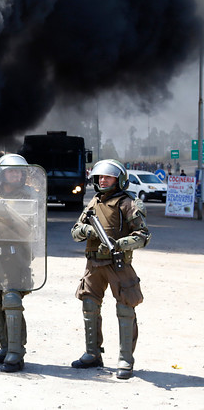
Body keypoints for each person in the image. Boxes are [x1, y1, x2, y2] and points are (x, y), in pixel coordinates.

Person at [70, 159, 151, 380]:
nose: (103, 180)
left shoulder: (127, 203)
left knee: (125, 309)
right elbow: (75, 230)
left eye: (108, 177)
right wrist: (86, 230)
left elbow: (142, 236)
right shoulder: (94, 201)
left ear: (119, 180)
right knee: (89, 305)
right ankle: (92, 353)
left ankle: (125, 360)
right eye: (100, 177)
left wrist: (120, 244)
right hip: (93, 263)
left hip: (118, 263)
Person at [0, 153, 35, 373]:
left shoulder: (29, 196)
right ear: (1, 174)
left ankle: (16, 352)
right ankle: (4, 347)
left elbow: (31, 229)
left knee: (11, 301)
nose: (16, 175)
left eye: (19, 171)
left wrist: (7, 213)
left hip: (15, 256)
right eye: (11, 171)